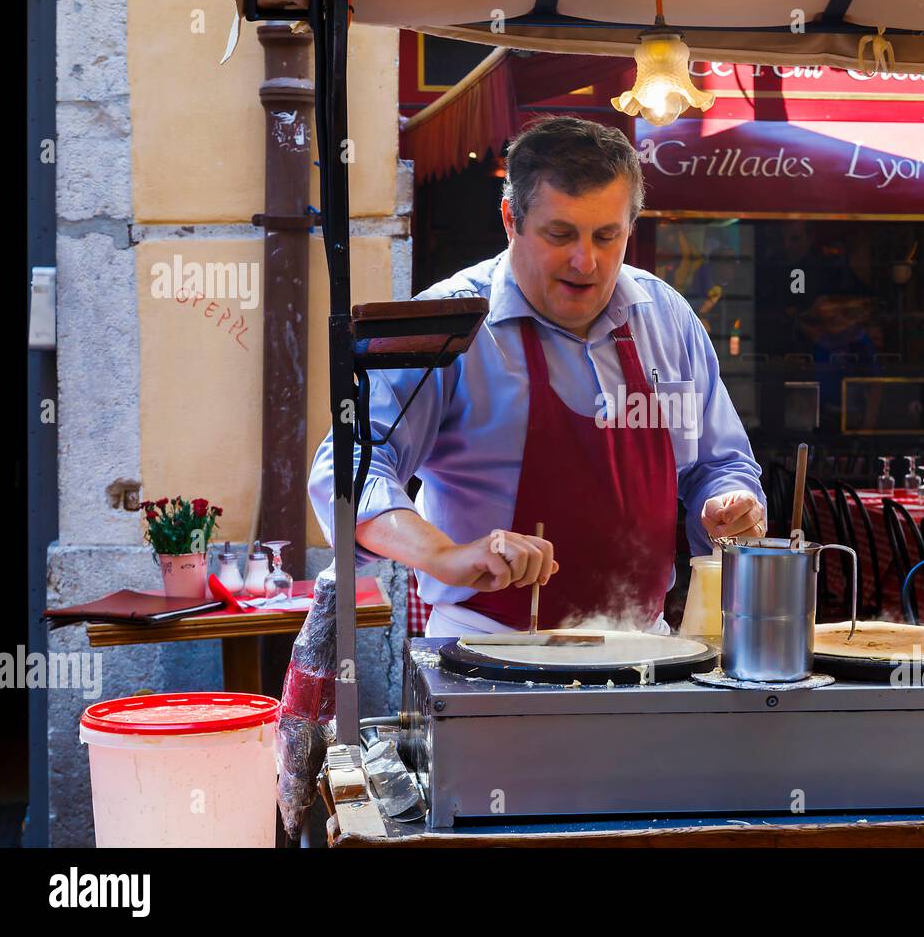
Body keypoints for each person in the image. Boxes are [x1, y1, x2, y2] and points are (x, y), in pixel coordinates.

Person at [308, 116, 766, 637]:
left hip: (643, 647)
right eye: (560, 233)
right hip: (485, 644)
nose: (585, 260)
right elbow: (346, 467)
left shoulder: (668, 318)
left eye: (607, 236)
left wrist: (734, 508)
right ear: (511, 219)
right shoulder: (449, 323)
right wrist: (444, 554)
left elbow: (720, 463)